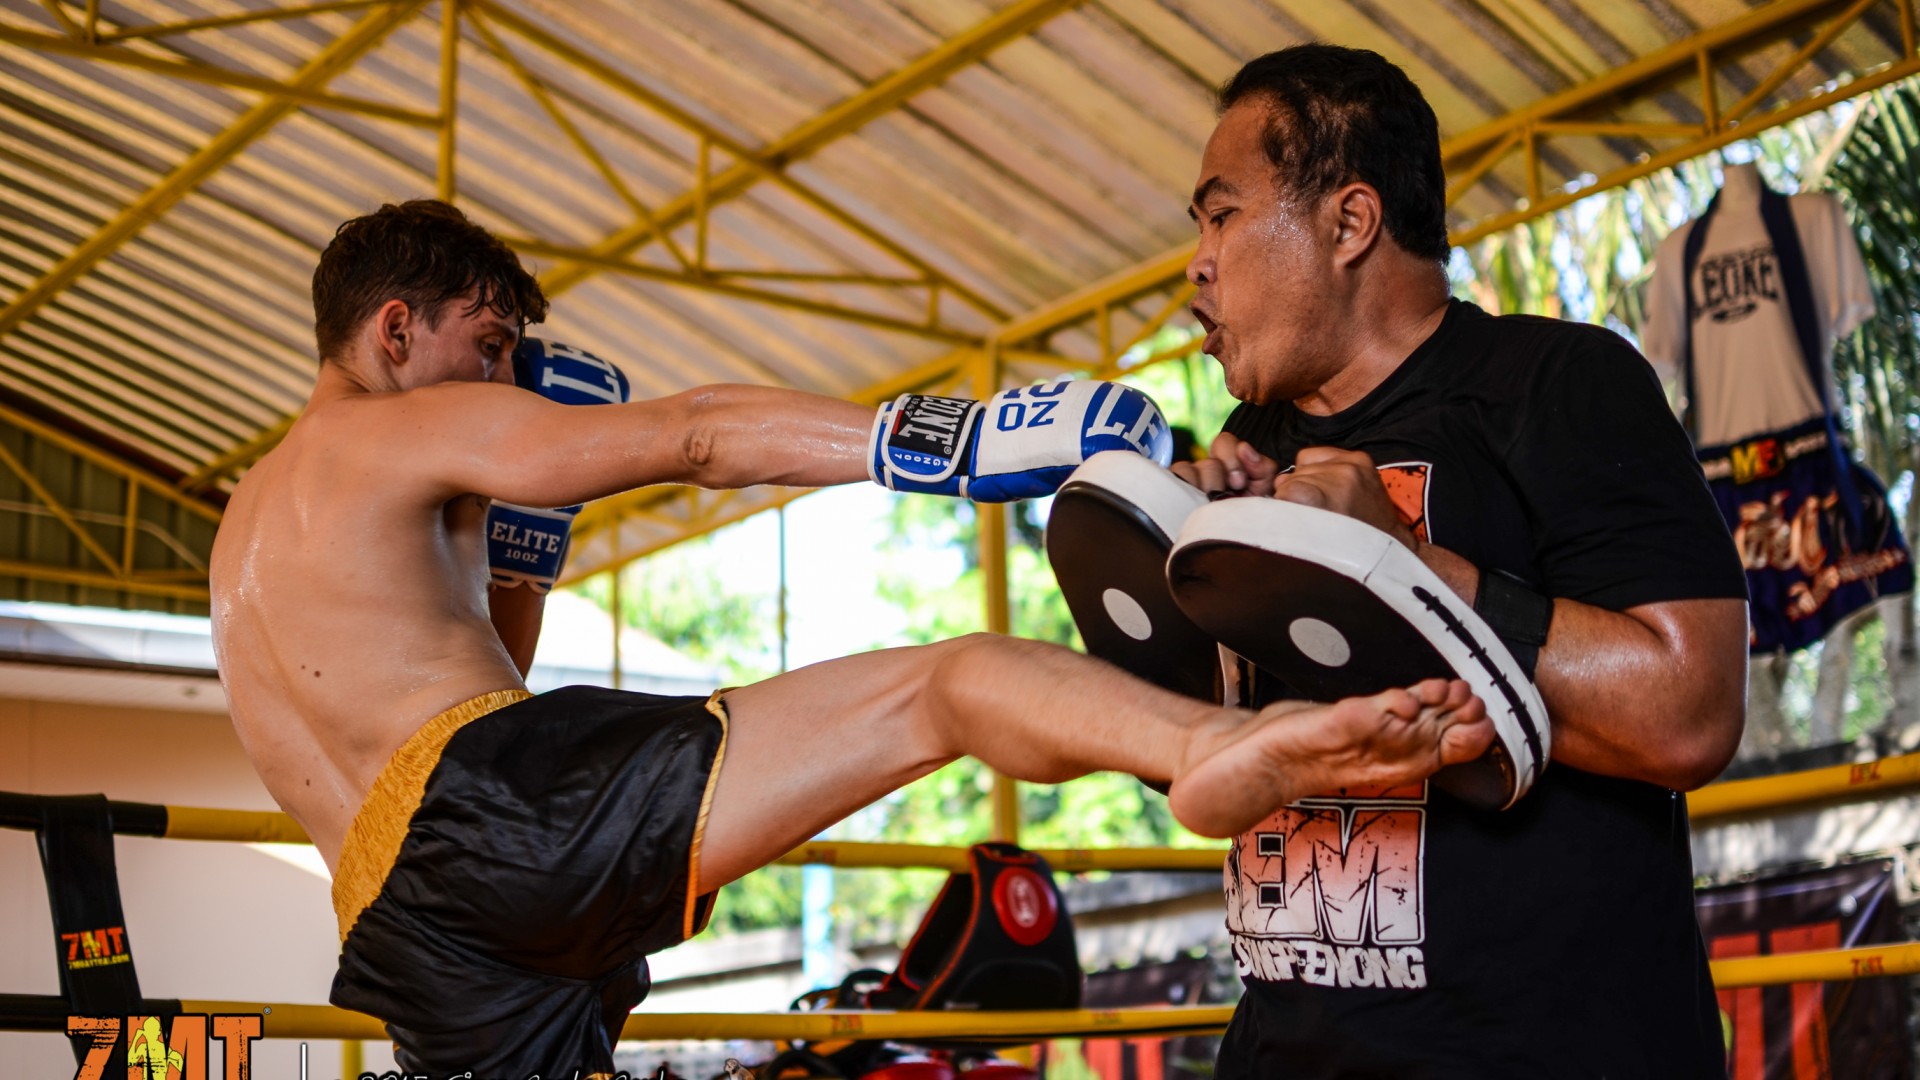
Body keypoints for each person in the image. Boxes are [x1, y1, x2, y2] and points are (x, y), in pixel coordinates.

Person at [206, 199, 1493, 1079]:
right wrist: (947, 443)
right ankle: (1217, 744)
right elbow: (698, 437)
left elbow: (475, 691)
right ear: (391, 333)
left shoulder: (243, 542)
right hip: (486, 806)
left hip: (405, 922)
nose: (505, 381)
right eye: (488, 347)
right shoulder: (392, 430)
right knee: (950, 681)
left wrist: (525, 567)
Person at [1170, 45, 1749, 1078]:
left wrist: (1401, 558)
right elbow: (1214, 760)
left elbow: (1689, 709)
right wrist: (1179, 566)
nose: (1196, 263)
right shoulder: (1252, 443)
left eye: (1221, 215)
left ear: (1349, 223)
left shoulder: (1554, 385)